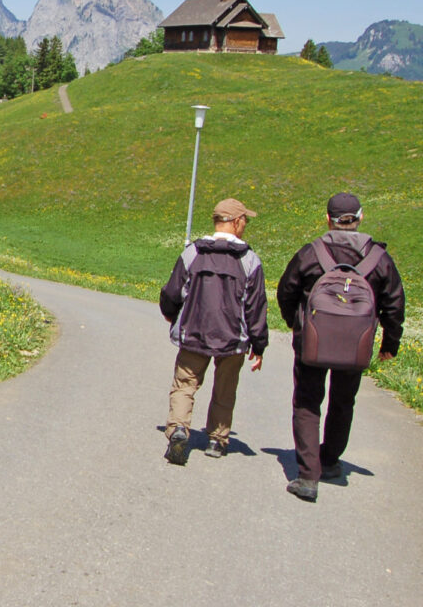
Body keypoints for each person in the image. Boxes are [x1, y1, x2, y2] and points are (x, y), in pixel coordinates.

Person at [276, 192, 404, 502]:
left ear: (328, 219)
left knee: (307, 402)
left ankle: (308, 476)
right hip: (355, 344)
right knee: (344, 401)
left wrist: (296, 323)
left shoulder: (311, 253)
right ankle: (330, 461)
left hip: (312, 340)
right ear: (360, 217)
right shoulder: (379, 258)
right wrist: (390, 343)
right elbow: (394, 303)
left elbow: (286, 290)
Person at [159, 198, 268, 465]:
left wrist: (171, 314)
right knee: (225, 388)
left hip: (193, 332)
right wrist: (259, 344)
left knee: (185, 384)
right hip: (233, 338)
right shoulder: (249, 260)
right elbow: (256, 307)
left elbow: (172, 292)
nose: (246, 224)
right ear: (237, 222)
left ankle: (179, 429)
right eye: (245, 220)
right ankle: (217, 440)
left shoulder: (193, 253)